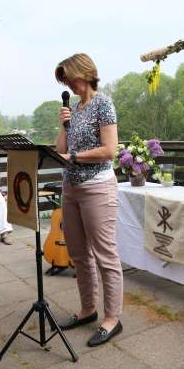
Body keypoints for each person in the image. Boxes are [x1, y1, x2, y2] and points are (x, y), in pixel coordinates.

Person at [55, 53, 123, 348]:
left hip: (97, 187)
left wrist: (76, 157)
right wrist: (63, 125)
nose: (67, 83)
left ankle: (112, 319)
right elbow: (60, 150)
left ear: (84, 73)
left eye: (69, 77)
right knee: (79, 254)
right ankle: (87, 309)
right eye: (63, 80)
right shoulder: (75, 109)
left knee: (105, 255)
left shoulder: (103, 104)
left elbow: (110, 150)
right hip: (70, 188)